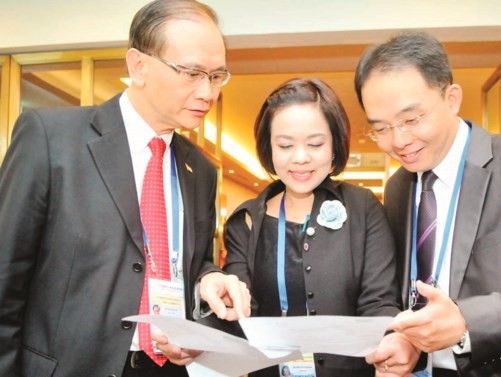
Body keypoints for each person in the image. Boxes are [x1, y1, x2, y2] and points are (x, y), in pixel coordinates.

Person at [0, 1, 251, 376]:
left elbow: (190, 260)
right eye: (193, 73)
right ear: (138, 65)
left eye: (217, 76)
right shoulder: (52, 139)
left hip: (162, 367)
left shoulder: (200, 168)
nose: (208, 92)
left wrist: (208, 278)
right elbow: (6, 274)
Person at [355, 32, 501, 376]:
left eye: (412, 120)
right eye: (381, 128)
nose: (399, 140)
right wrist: (407, 339)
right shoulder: (398, 188)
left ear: (452, 98)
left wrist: (466, 321)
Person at [223, 78, 420, 377]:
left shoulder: (362, 208)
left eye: (315, 144)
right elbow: (238, 313)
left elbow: (379, 301)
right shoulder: (246, 220)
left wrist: (392, 342)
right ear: (269, 148)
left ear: (334, 146)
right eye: (285, 145)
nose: (300, 157)